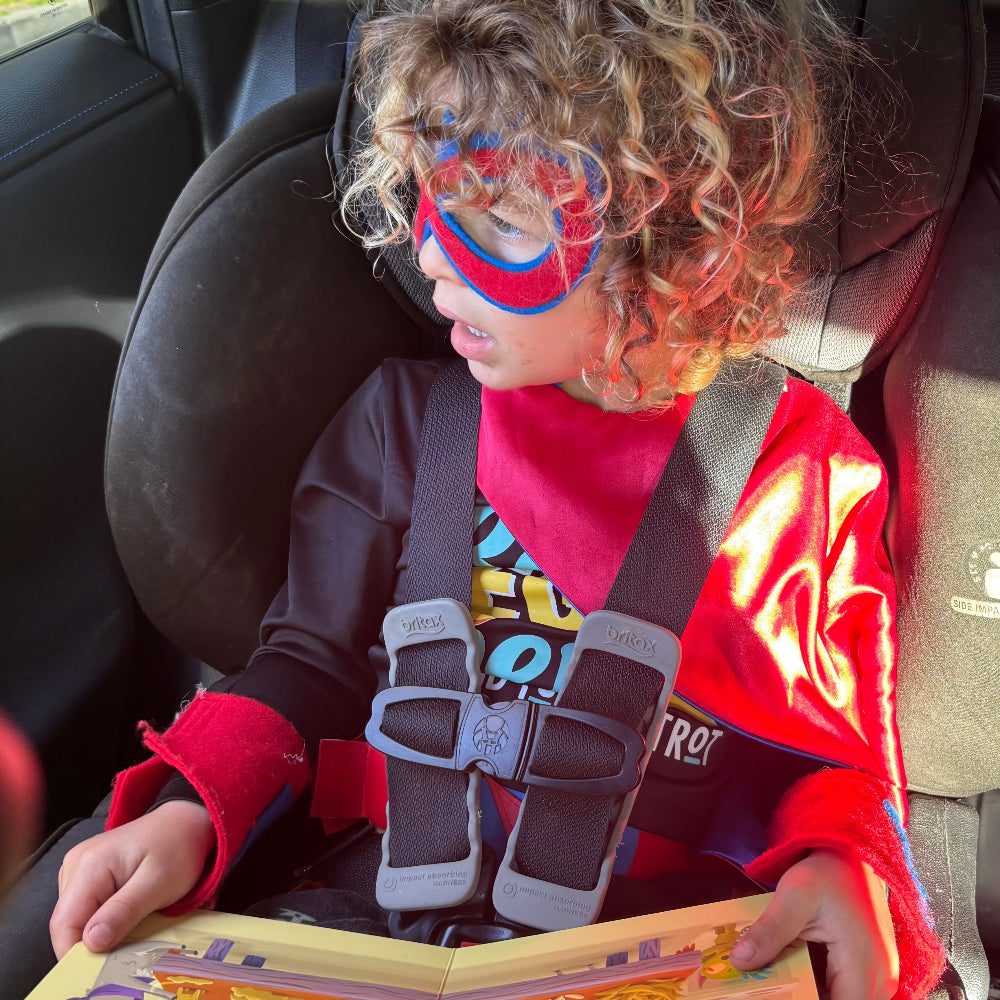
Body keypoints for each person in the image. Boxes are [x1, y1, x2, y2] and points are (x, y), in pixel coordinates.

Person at [49, 2, 946, 998]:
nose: (431, 254)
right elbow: (306, 665)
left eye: (501, 224)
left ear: (691, 254)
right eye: (431, 198)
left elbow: (837, 762)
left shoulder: (796, 475)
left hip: (661, 945)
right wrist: (192, 810)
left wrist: (843, 865)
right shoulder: (403, 423)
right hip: (371, 921)